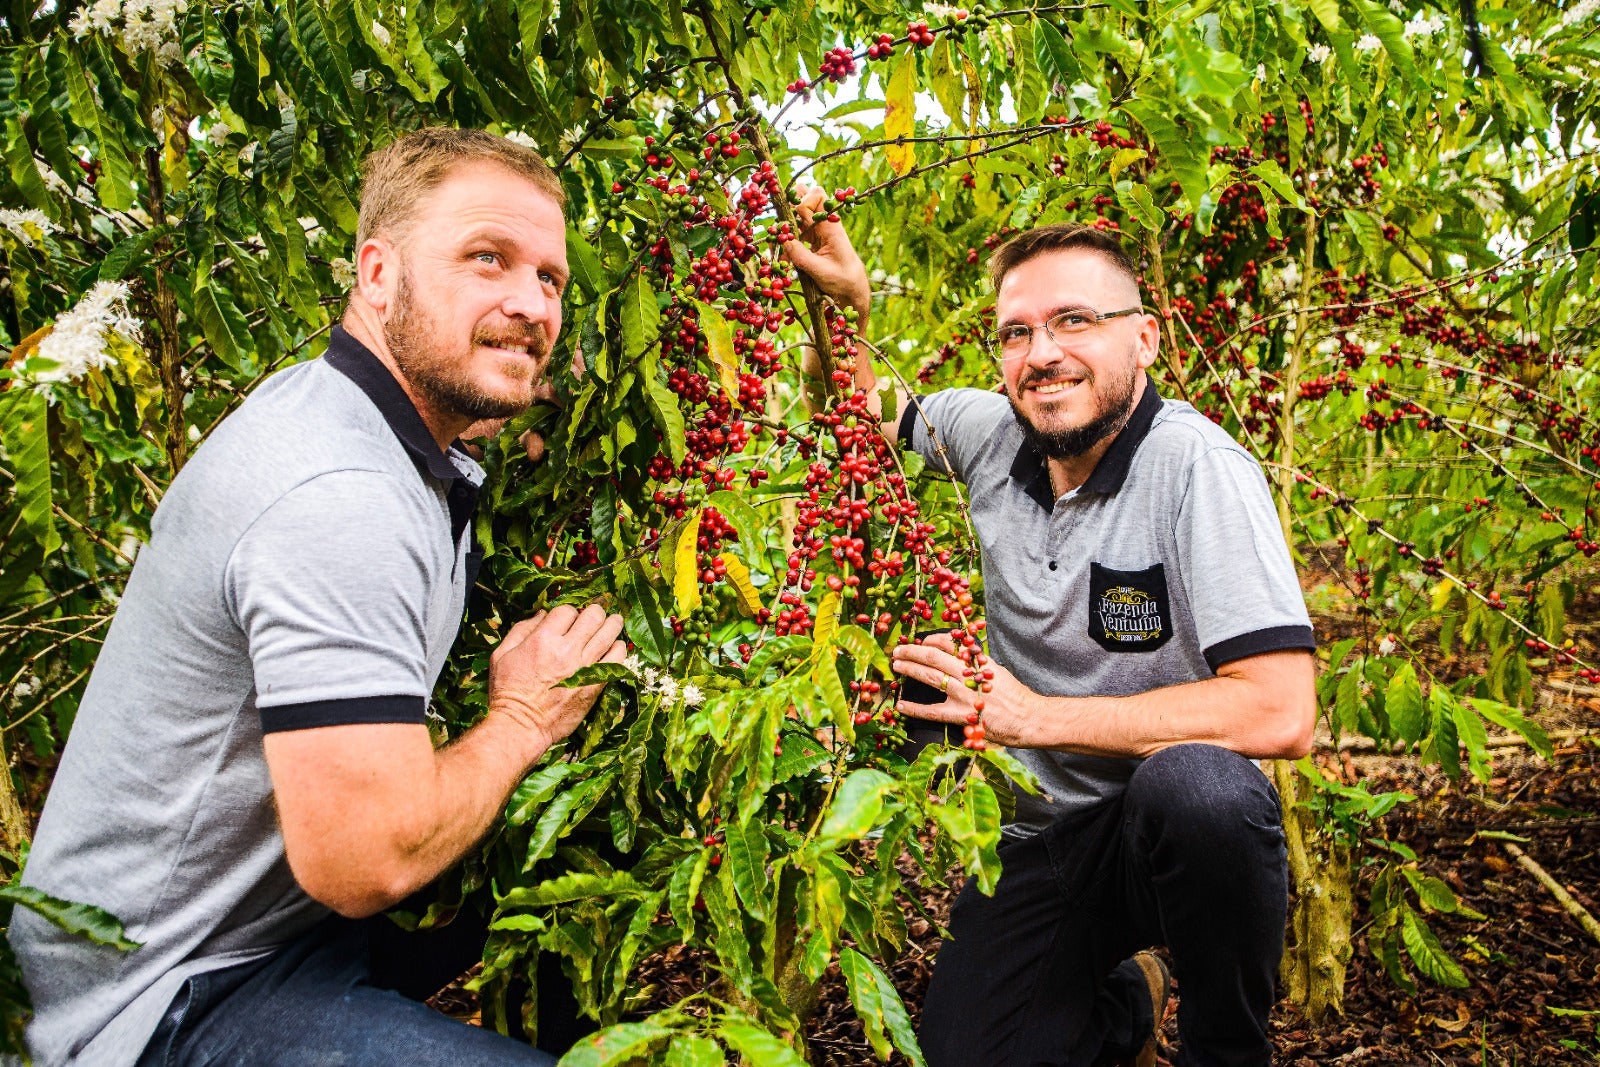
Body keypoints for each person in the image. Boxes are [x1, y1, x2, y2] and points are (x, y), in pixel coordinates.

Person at [12, 128, 625, 1067]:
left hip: (268, 926)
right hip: (156, 1001)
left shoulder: (368, 422)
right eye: (486, 258)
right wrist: (524, 718)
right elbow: (366, 858)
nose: (530, 303)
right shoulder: (336, 493)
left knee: (596, 849)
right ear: (377, 276)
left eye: (549, 278)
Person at [784, 208, 1317, 1067]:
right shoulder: (985, 432)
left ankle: (1225, 1048)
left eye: (1075, 320)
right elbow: (852, 414)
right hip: (1043, 842)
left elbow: (1282, 709)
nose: (1042, 353)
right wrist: (845, 310)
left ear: (1144, 339)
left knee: (1205, 790)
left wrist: (1035, 716)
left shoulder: (1198, 469)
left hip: (1167, 826)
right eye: (1017, 332)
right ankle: (1124, 1001)